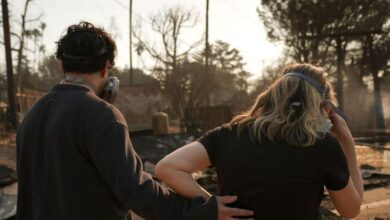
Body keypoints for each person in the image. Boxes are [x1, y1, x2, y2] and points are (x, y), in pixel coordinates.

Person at [16, 22, 254, 220]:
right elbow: (136, 191)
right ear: (106, 69)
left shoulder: (31, 116)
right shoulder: (101, 114)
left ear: (61, 65)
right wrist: (203, 212)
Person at [155, 63, 364, 219]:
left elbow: (167, 168)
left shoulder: (229, 134)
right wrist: (346, 140)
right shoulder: (322, 146)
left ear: (273, 95)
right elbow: (351, 210)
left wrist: (211, 205)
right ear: (321, 106)